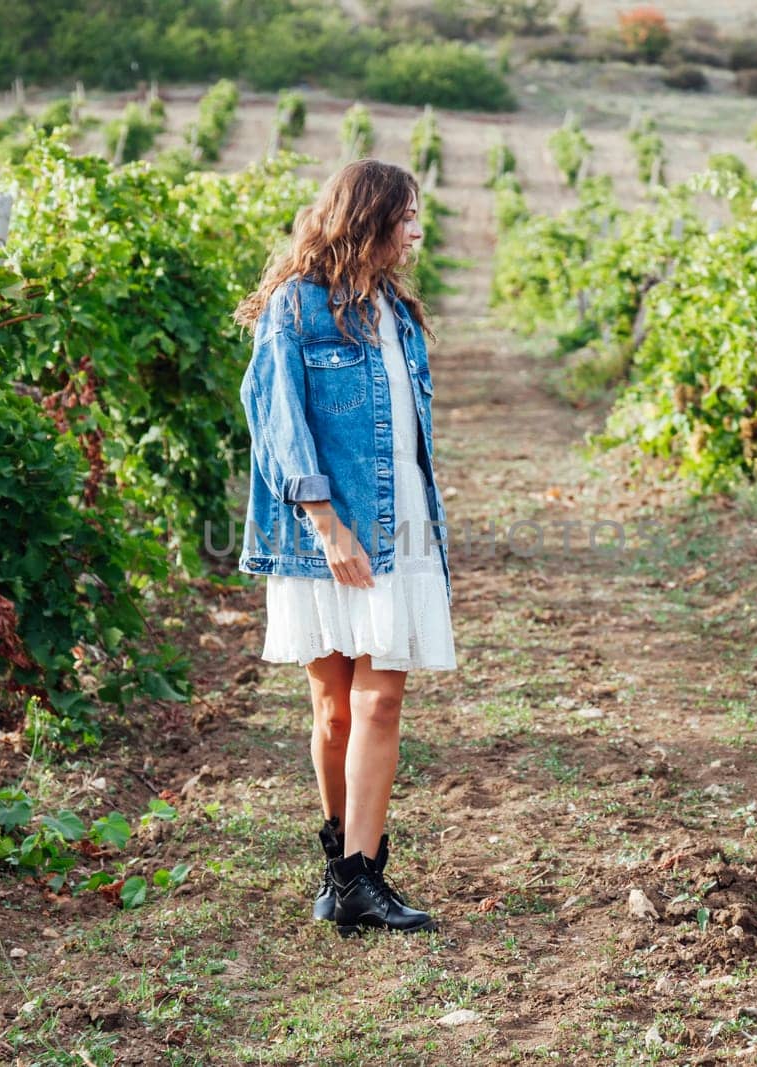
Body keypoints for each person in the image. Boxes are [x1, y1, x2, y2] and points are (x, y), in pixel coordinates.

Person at [233, 159, 456, 938]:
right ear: (367, 219)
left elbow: (407, 444)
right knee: (332, 711)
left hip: (400, 530)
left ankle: (363, 874)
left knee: (381, 698)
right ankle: (339, 866)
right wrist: (329, 528)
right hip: (322, 533)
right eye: (405, 217)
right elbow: (276, 424)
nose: (415, 232)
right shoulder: (295, 310)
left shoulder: (396, 309)